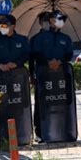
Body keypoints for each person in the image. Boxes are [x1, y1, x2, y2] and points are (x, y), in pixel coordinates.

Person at [32, 11, 74, 142]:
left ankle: (64, 130)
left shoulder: (66, 38)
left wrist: (59, 62)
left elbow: (69, 54)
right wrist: (48, 62)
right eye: (59, 19)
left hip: (61, 75)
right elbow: (36, 54)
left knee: (63, 100)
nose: (61, 21)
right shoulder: (39, 38)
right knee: (42, 102)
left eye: (63, 19)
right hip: (44, 75)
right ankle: (39, 132)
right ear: (51, 20)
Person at [0, 14, 30, 87]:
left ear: (13, 26)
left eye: (4, 25)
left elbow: (27, 54)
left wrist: (16, 63)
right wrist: (0, 65)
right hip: (1, 75)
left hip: (19, 74)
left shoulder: (22, 39)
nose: (2, 27)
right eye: (1, 25)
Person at [29, 11, 52, 141]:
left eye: (49, 20)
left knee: (55, 102)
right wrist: (32, 75)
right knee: (40, 103)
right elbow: (32, 59)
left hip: (57, 77)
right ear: (40, 22)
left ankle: (56, 129)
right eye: (44, 20)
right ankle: (39, 132)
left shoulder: (59, 37)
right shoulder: (35, 39)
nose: (47, 22)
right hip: (41, 75)